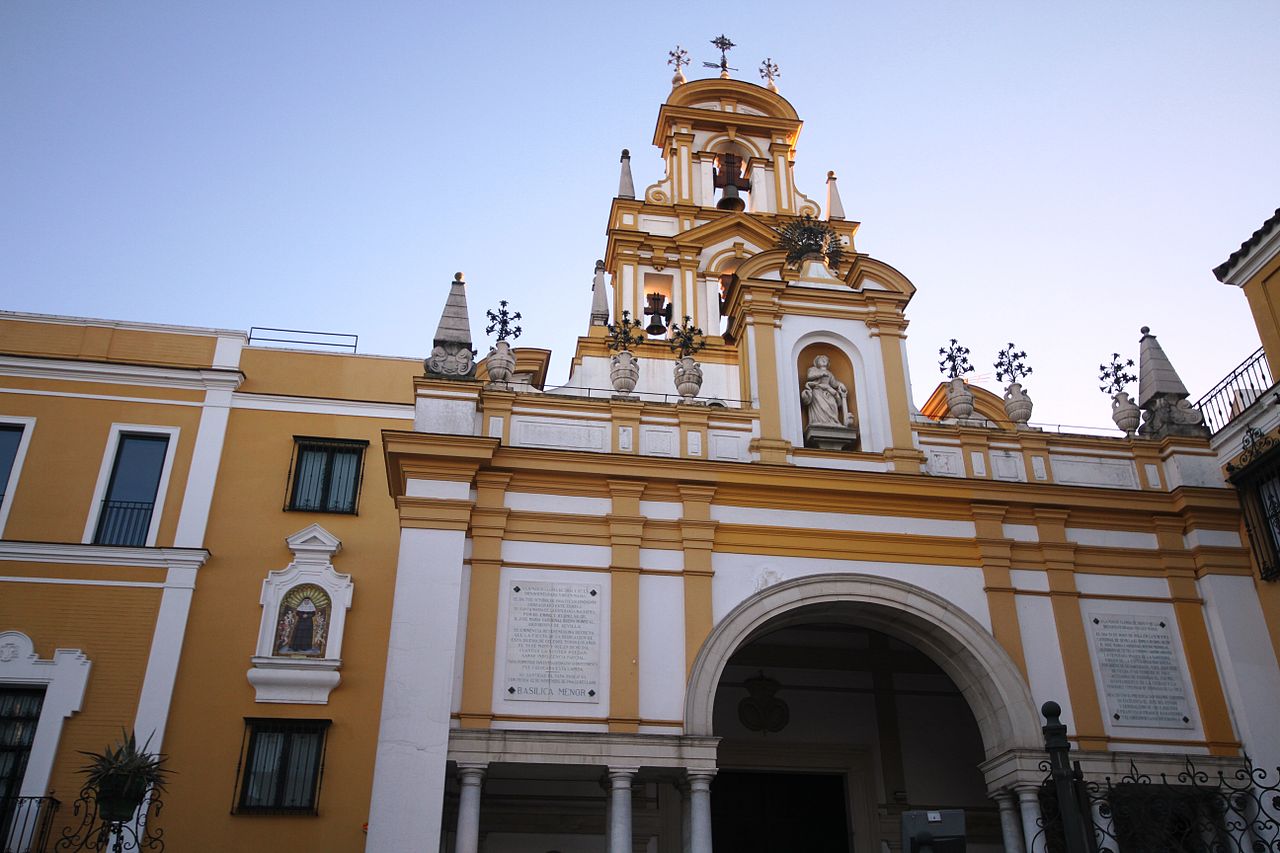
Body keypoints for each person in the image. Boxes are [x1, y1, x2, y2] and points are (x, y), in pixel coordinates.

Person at [801, 355, 853, 428]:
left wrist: (840, 384)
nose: (823, 360)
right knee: (822, 405)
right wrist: (821, 373)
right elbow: (810, 376)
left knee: (833, 404)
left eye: (825, 359)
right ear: (817, 362)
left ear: (828, 363)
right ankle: (819, 421)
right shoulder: (813, 369)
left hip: (828, 392)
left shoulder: (829, 373)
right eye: (821, 359)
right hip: (818, 390)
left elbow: (834, 383)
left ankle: (832, 421)